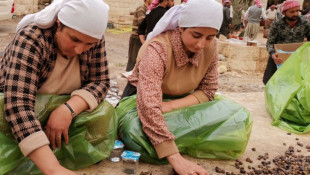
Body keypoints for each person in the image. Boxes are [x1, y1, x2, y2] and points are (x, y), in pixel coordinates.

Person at [0, 0, 110, 174]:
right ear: (58, 23)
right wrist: (53, 169)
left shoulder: (93, 39)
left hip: (59, 107)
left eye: (89, 44)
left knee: (105, 112)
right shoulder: (32, 38)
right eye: (74, 39)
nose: (81, 50)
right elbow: (18, 104)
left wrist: (67, 110)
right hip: (22, 112)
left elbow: (101, 81)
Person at [121, 0, 223, 174]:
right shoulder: (157, 50)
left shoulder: (211, 48)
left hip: (181, 101)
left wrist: (170, 106)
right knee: (136, 135)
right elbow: (149, 106)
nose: (201, 45)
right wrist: (175, 158)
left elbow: (208, 90)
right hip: (142, 101)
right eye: (196, 35)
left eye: (210, 37)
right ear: (181, 28)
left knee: (235, 116)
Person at [262, 0, 310, 84]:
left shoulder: (305, 23)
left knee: (294, 82)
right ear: (284, 13)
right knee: (268, 81)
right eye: (292, 12)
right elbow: (270, 43)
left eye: (297, 11)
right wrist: (273, 54)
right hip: (278, 58)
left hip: (295, 57)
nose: (295, 14)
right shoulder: (277, 24)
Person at [125, 0, 152, 71]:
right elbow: (142, 23)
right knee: (133, 60)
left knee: (140, 61)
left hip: (143, 38)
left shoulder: (149, 9)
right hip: (136, 38)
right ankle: (129, 78)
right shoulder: (141, 8)